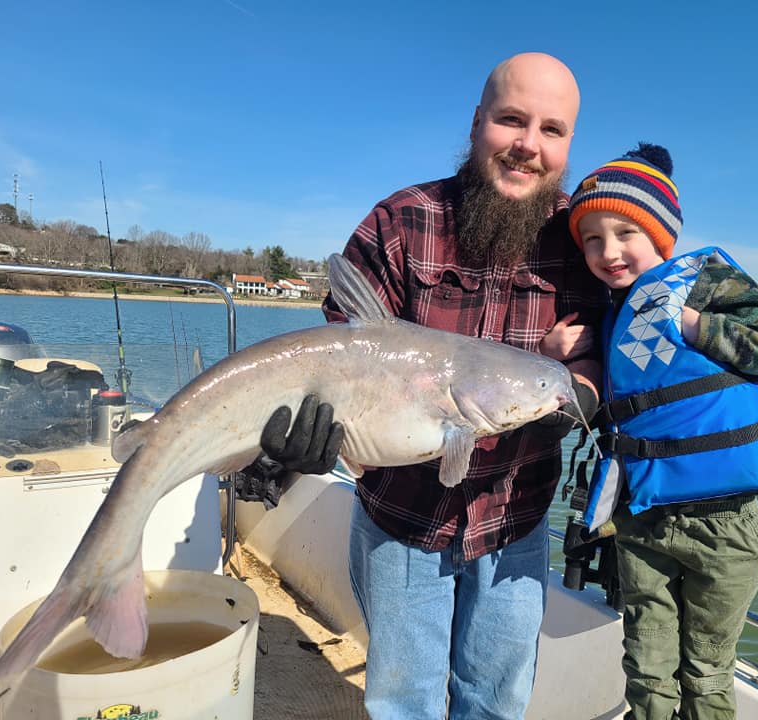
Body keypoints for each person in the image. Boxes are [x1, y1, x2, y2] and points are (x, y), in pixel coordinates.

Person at [248, 52, 603, 719]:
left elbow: (602, 350)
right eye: (511, 120)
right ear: (477, 124)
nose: (528, 144)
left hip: (516, 520)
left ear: (568, 145)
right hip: (401, 520)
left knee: (495, 703)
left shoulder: (584, 239)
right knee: (403, 702)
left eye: (551, 130)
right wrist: (304, 437)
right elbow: (333, 352)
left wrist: (579, 394)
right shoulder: (402, 222)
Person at [548, 142, 758, 719]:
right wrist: (552, 356)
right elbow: (602, 412)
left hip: (726, 525)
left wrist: (698, 327)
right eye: (591, 239)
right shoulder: (607, 312)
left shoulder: (702, 284)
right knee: (646, 668)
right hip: (641, 520)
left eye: (625, 233)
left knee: (706, 671)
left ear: (661, 236)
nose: (608, 251)